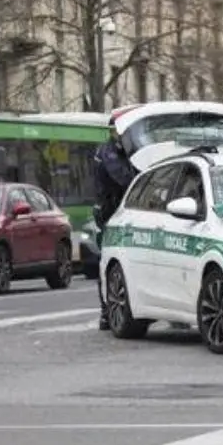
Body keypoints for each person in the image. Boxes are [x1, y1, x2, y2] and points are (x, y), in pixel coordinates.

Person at [93, 110, 138, 332]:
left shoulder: (125, 151)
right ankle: (106, 311)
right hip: (110, 211)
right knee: (109, 260)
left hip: (122, 209)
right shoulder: (108, 151)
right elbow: (124, 179)